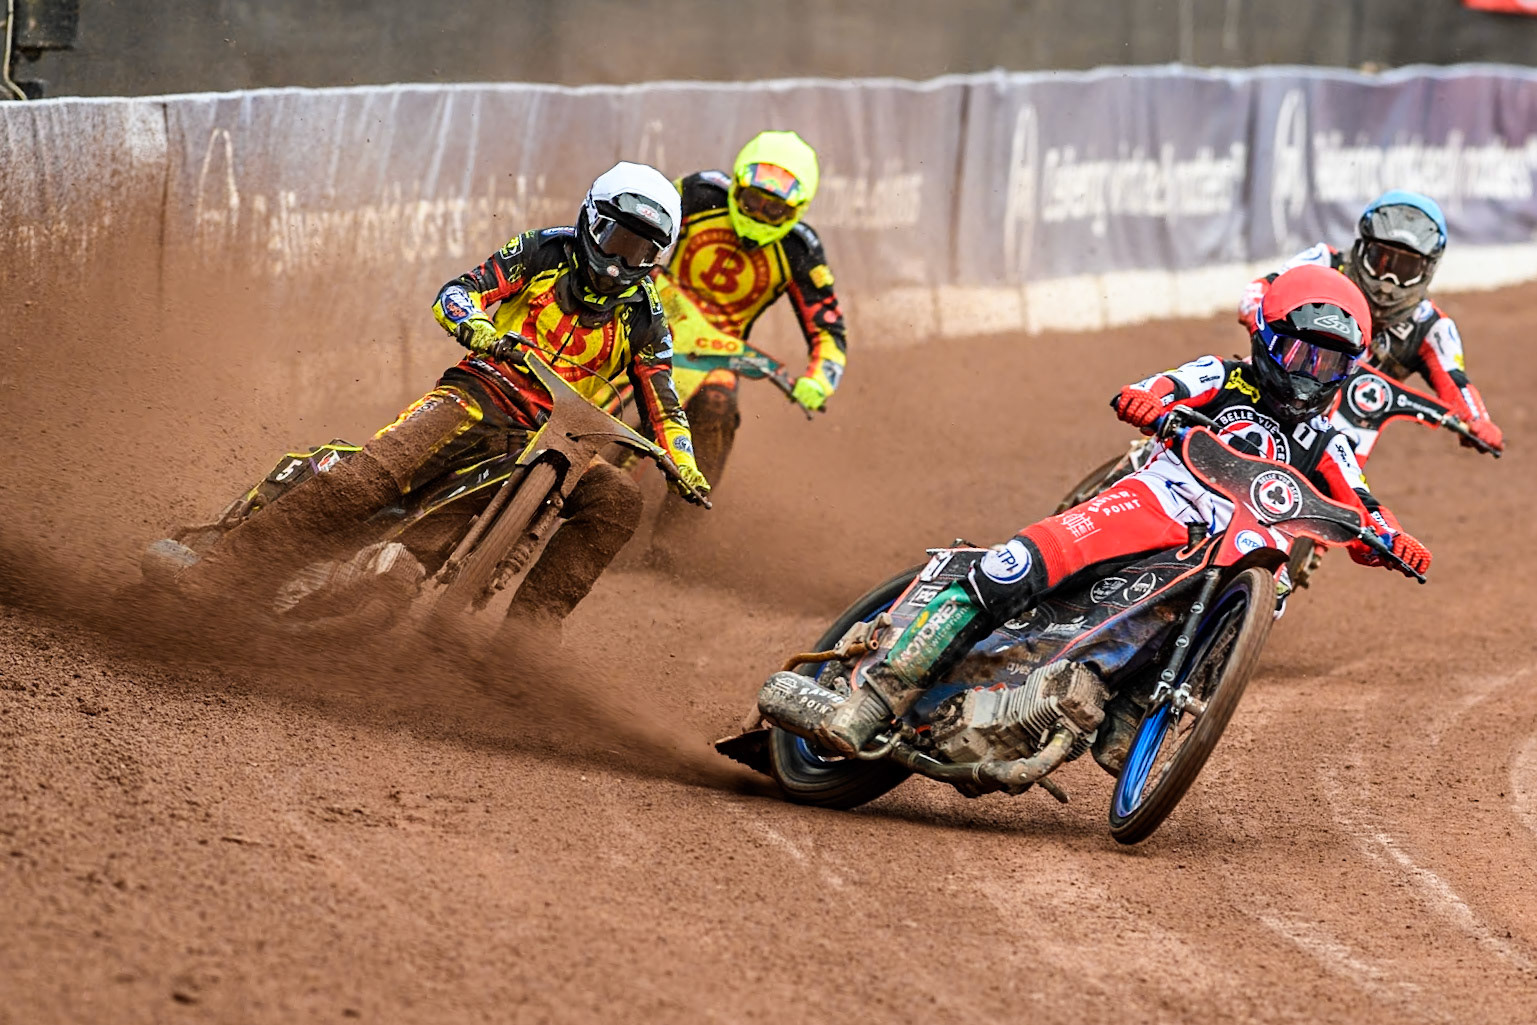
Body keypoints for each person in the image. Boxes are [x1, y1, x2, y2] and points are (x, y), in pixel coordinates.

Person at [802, 265, 1430, 757]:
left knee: (1274, 588)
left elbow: (1364, 506)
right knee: (1017, 566)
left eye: (1331, 363)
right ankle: (877, 695)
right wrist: (1147, 402)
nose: (1312, 375)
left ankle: (1139, 707)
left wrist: (1392, 541)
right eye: (1302, 355)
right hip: (1156, 500)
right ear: (1267, 338)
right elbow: (1163, 387)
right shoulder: (1223, 375)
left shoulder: (1329, 441)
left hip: (1229, 546)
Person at [171, 161, 709, 634]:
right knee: (368, 481)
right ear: (592, 219)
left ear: (657, 256)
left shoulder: (648, 317)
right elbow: (459, 291)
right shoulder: (545, 248)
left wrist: (682, 461)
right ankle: (219, 570)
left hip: (561, 438)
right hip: (481, 391)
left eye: (640, 248)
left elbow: (663, 397)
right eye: (618, 237)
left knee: (619, 499)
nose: (621, 258)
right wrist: (474, 324)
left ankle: (530, 634)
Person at [645, 130, 847, 557]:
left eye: (774, 208)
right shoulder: (699, 194)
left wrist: (819, 381)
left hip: (716, 352)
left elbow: (830, 332)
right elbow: (642, 224)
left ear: (796, 211)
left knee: (718, 406)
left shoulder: (800, 250)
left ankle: (674, 533)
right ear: (736, 184)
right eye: (752, 200)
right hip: (648, 314)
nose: (759, 213)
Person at [1239, 189, 1504, 453]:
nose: (1388, 282)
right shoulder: (1324, 263)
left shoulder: (1432, 326)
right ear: (1362, 248)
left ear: (1428, 269)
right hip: (1276, 389)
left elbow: (1455, 380)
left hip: (1339, 434)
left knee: (1343, 486)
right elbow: (1257, 293)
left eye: (1406, 270)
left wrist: (1477, 420)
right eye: (1382, 261)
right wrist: (1263, 329)